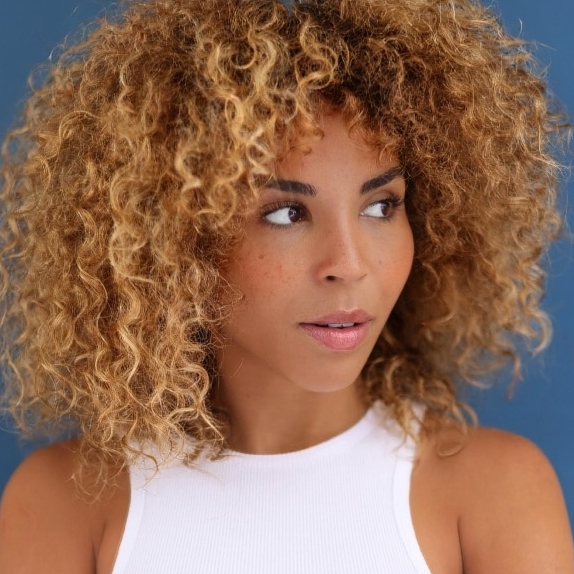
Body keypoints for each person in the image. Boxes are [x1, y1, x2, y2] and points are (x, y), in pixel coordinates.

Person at [0, 0, 572, 572]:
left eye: (381, 206)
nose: (349, 264)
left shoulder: (496, 495)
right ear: (172, 238)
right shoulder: (63, 504)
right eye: (285, 214)